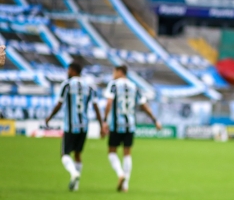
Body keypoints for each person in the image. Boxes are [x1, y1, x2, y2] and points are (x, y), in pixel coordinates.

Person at [45, 62, 104, 191]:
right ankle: (76, 185)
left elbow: (59, 104)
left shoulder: (66, 85)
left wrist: (49, 117)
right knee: (78, 154)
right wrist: (101, 125)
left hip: (70, 126)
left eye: (69, 70)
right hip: (84, 126)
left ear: (73, 71)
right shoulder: (89, 86)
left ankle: (73, 173)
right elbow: (96, 107)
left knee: (65, 154)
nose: (67, 72)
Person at [102, 65, 162, 192]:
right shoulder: (134, 86)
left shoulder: (113, 85)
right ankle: (125, 185)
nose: (113, 74)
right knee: (127, 154)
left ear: (120, 72)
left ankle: (120, 174)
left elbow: (108, 103)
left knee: (112, 152)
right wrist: (155, 120)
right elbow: (144, 106)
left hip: (116, 124)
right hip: (130, 125)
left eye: (114, 71)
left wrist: (104, 121)